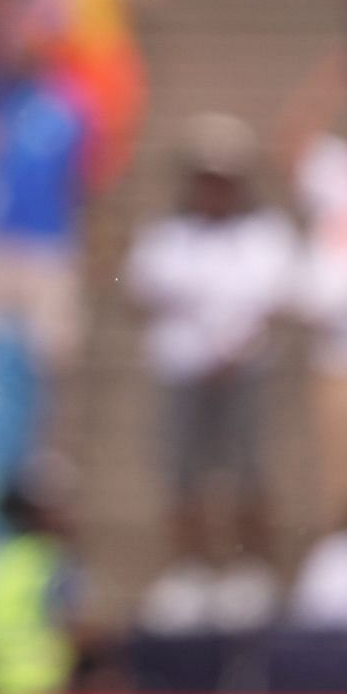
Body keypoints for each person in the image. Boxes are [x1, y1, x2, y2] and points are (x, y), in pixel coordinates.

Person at [126, 114, 296, 634]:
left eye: (223, 181)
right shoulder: (166, 237)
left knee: (247, 472)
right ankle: (192, 571)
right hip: (183, 372)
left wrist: (233, 351)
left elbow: (278, 303)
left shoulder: (267, 236)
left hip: (244, 372)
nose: (213, 191)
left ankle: (251, 570)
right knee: (184, 475)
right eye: (205, 180)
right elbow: (143, 295)